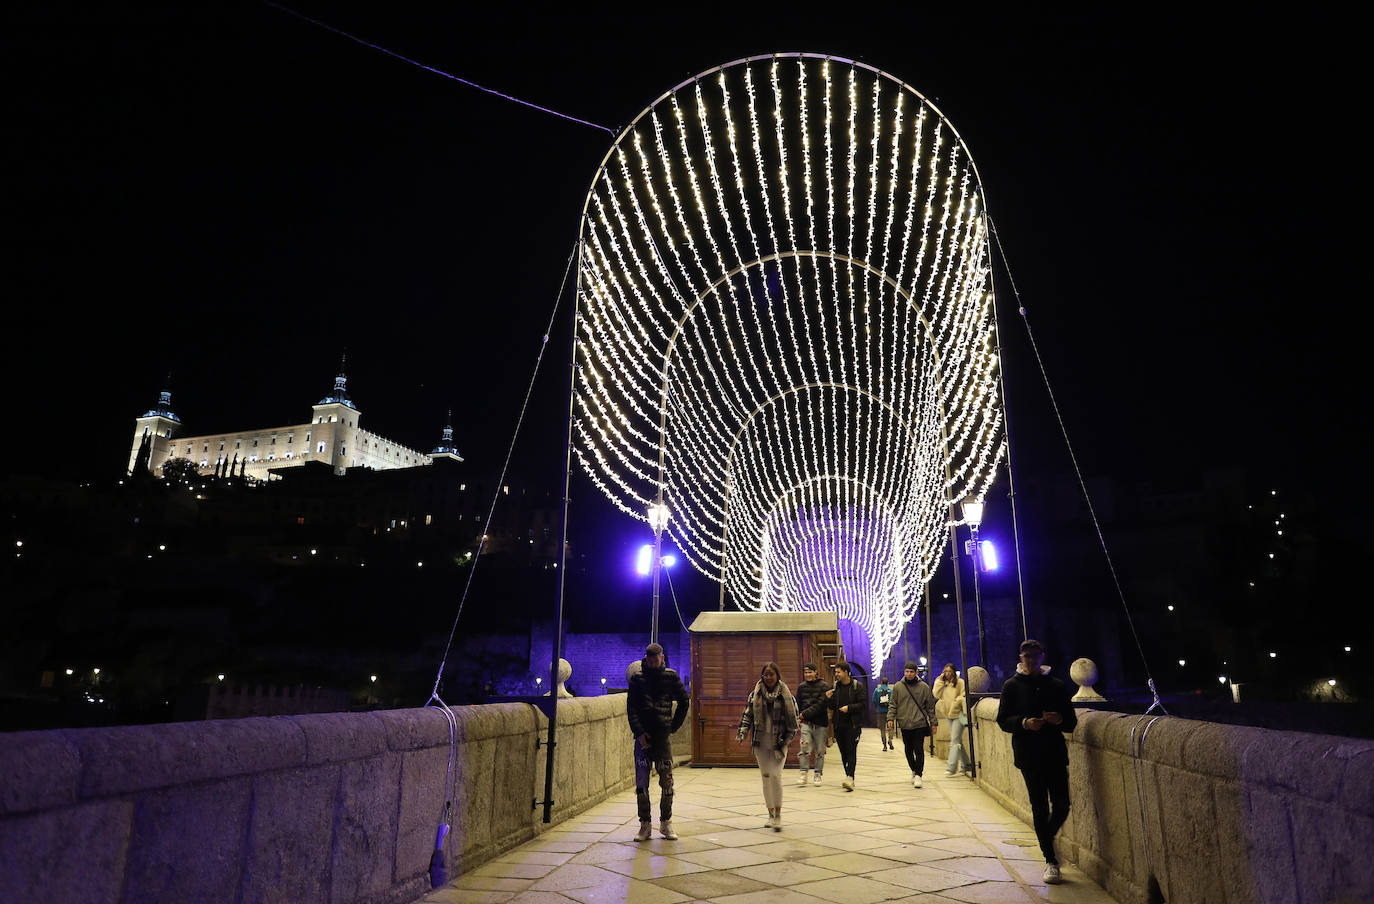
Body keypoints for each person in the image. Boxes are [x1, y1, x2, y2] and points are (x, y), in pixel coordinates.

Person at [996, 639, 1078, 885]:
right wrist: (1024, 723)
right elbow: (1002, 720)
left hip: (1054, 753)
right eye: (1027, 656)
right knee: (1039, 806)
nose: (1031, 660)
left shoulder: (1056, 685)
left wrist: (1058, 719)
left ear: (1042, 657)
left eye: (1035, 656)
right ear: (1021, 658)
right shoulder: (1011, 686)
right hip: (1028, 755)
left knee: (1062, 804)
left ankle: (1046, 837)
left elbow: (1071, 723)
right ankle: (1051, 860)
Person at [626, 642, 690, 842]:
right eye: (651, 660)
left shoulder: (670, 677)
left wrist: (673, 726)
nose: (654, 663)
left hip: (662, 738)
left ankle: (666, 822)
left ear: (662, 657)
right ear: (647, 659)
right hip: (643, 739)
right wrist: (639, 732)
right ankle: (645, 824)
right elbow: (632, 708)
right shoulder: (638, 679)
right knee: (642, 785)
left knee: (667, 783)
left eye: (657, 659)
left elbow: (684, 700)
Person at [736, 661, 799, 830]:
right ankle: (770, 813)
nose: (769, 677)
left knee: (776, 776)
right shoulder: (754, 695)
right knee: (765, 776)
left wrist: (787, 738)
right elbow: (747, 715)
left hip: (779, 743)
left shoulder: (786, 695)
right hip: (761, 742)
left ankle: (778, 815)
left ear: (778, 676)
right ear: (762, 676)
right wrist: (742, 732)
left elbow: (793, 720)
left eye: (772, 674)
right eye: (766, 674)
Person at [891, 661, 937, 788]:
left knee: (919, 749)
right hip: (905, 723)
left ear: (916, 673)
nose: (909, 674)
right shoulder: (898, 687)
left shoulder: (924, 687)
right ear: (904, 672)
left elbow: (930, 707)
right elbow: (893, 704)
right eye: (907, 671)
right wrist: (890, 718)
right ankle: (914, 769)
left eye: (911, 672)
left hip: (919, 724)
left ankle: (918, 775)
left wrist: (933, 723)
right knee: (908, 750)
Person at [825, 661, 866, 790]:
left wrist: (849, 708)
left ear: (846, 672)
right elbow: (832, 706)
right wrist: (828, 698)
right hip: (839, 725)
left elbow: (863, 704)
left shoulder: (857, 687)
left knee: (851, 750)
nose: (836, 674)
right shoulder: (836, 687)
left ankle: (850, 777)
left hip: (853, 725)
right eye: (835, 672)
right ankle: (848, 775)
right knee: (843, 752)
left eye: (838, 672)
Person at [794, 662, 830, 786]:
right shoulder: (801, 687)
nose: (808, 674)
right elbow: (797, 703)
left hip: (820, 723)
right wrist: (798, 717)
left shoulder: (824, 686)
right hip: (806, 723)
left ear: (815, 672)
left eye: (810, 672)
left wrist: (803, 714)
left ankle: (817, 774)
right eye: (806, 672)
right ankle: (803, 773)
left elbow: (822, 705)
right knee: (804, 747)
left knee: (820, 750)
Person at [933, 663, 970, 776]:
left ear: (953, 672)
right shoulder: (943, 683)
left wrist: (956, 702)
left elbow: (963, 695)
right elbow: (936, 694)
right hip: (948, 714)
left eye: (949, 671)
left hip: (959, 715)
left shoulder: (960, 682)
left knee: (954, 741)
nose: (947, 673)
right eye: (945, 671)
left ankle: (951, 767)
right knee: (957, 740)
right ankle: (967, 764)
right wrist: (939, 681)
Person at [872, 676, 894, 751]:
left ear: (881, 683)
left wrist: (877, 707)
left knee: (882, 729)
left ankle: (884, 745)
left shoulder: (877, 690)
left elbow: (874, 700)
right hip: (889, 712)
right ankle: (890, 739)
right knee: (890, 727)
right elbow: (893, 702)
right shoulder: (890, 691)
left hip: (880, 712)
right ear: (888, 683)